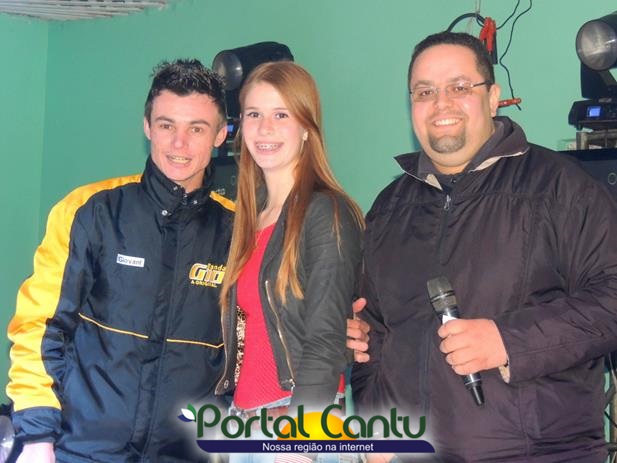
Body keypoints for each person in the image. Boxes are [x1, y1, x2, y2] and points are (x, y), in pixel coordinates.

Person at [351, 31, 617, 462]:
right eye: (424, 92)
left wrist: (508, 341)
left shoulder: (561, 188)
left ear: (493, 98)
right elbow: (372, 333)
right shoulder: (389, 207)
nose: (441, 103)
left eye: (459, 87)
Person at [215, 61, 363, 461]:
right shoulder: (248, 219)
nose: (265, 129)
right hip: (243, 424)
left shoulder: (326, 211)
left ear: (306, 128)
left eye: (281, 115)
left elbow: (326, 338)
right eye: (254, 115)